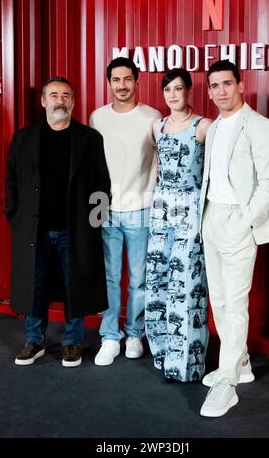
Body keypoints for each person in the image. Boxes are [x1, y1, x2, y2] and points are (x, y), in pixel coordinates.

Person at [6, 77, 111, 367]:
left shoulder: (90, 139)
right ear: (43, 101)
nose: (60, 101)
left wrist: (94, 223)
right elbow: (12, 181)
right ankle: (34, 340)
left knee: (73, 285)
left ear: (73, 102)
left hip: (75, 230)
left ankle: (72, 342)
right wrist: (15, 217)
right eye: (54, 95)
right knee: (34, 284)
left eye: (65, 95)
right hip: (33, 229)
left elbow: (102, 183)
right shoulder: (23, 138)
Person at [200, 60, 269, 416]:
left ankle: (229, 383)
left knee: (234, 304)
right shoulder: (216, 127)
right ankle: (243, 362)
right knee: (218, 300)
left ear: (240, 84)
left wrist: (245, 221)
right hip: (211, 218)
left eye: (226, 84)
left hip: (239, 219)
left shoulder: (261, 127)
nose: (221, 91)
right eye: (214, 86)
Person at [89, 57, 161, 366]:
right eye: (116, 79)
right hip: (103, 207)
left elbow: (158, 160)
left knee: (138, 279)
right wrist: (94, 205)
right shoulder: (97, 117)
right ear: (109, 83)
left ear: (136, 81)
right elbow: (93, 165)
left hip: (140, 208)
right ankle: (109, 336)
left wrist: (151, 197)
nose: (122, 85)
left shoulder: (152, 116)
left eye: (127, 79)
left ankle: (134, 333)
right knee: (107, 277)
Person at [145, 68, 212, 382]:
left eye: (179, 89)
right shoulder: (157, 127)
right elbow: (158, 167)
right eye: (168, 89)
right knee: (158, 281)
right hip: (161, 209)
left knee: (187, 284)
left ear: (189, 92)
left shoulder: (203, 127)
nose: (173, 95)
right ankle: (161, 356)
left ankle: (187, 365)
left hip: (190, 209)